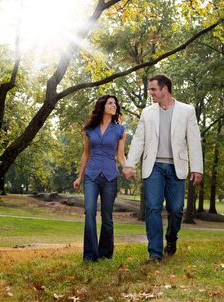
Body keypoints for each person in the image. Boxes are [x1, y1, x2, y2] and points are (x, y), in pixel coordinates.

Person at [123, 74, 203, 262]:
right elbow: (139, 139)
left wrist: (197, 168)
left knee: (176, 210)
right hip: (154, 166)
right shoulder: (147, 112)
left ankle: (171, 239)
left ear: (164, 88)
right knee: (153, 208)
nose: (150, 93)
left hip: (177, 167)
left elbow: (193, 141)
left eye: (153, 89)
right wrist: (130, 164)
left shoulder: (187, 110)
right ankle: (155, 254)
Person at [74, 94, 126, 262]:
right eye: (110, 103)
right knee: (89, 211)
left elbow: (120, 156)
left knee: (107, 217)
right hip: (91, 175)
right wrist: (79, 177)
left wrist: (128, 168)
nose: (114, 106)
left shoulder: (120, 130)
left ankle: (105, 254)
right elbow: (86, 153)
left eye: (115, 104)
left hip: (110, 176)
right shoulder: (90, 129)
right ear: (102, 106)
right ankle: (90, 255)